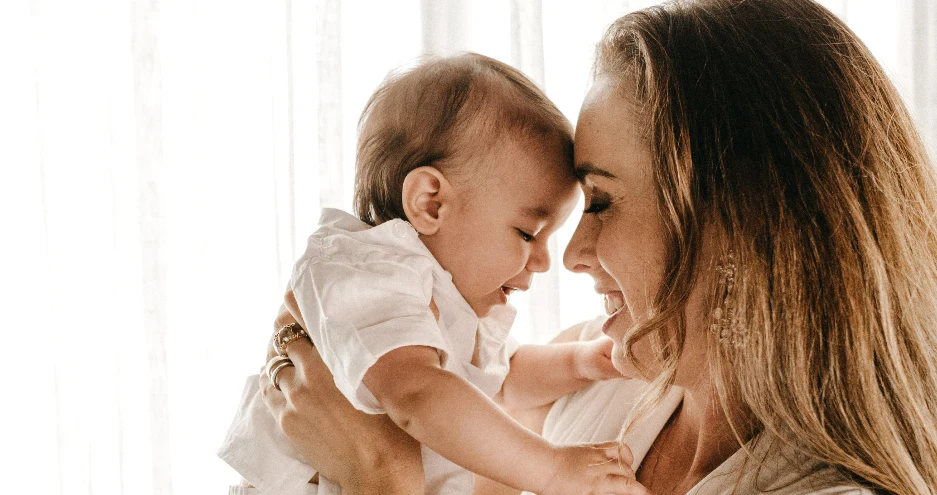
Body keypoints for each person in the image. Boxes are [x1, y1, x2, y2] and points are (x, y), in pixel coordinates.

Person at [260, 0, 937, 494]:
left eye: (602, 201)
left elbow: (400, 450)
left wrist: (378, 476)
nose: (570, 254)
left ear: (736, 222)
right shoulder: (598, 385)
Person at [220, 53, 647, 495]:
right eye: (527, 233)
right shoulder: (363, 269)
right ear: (431, 204)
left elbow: (501, 382)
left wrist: (581, 361)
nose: (543, 261)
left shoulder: (443, 299)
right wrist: (553, 471)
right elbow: (419, 394)